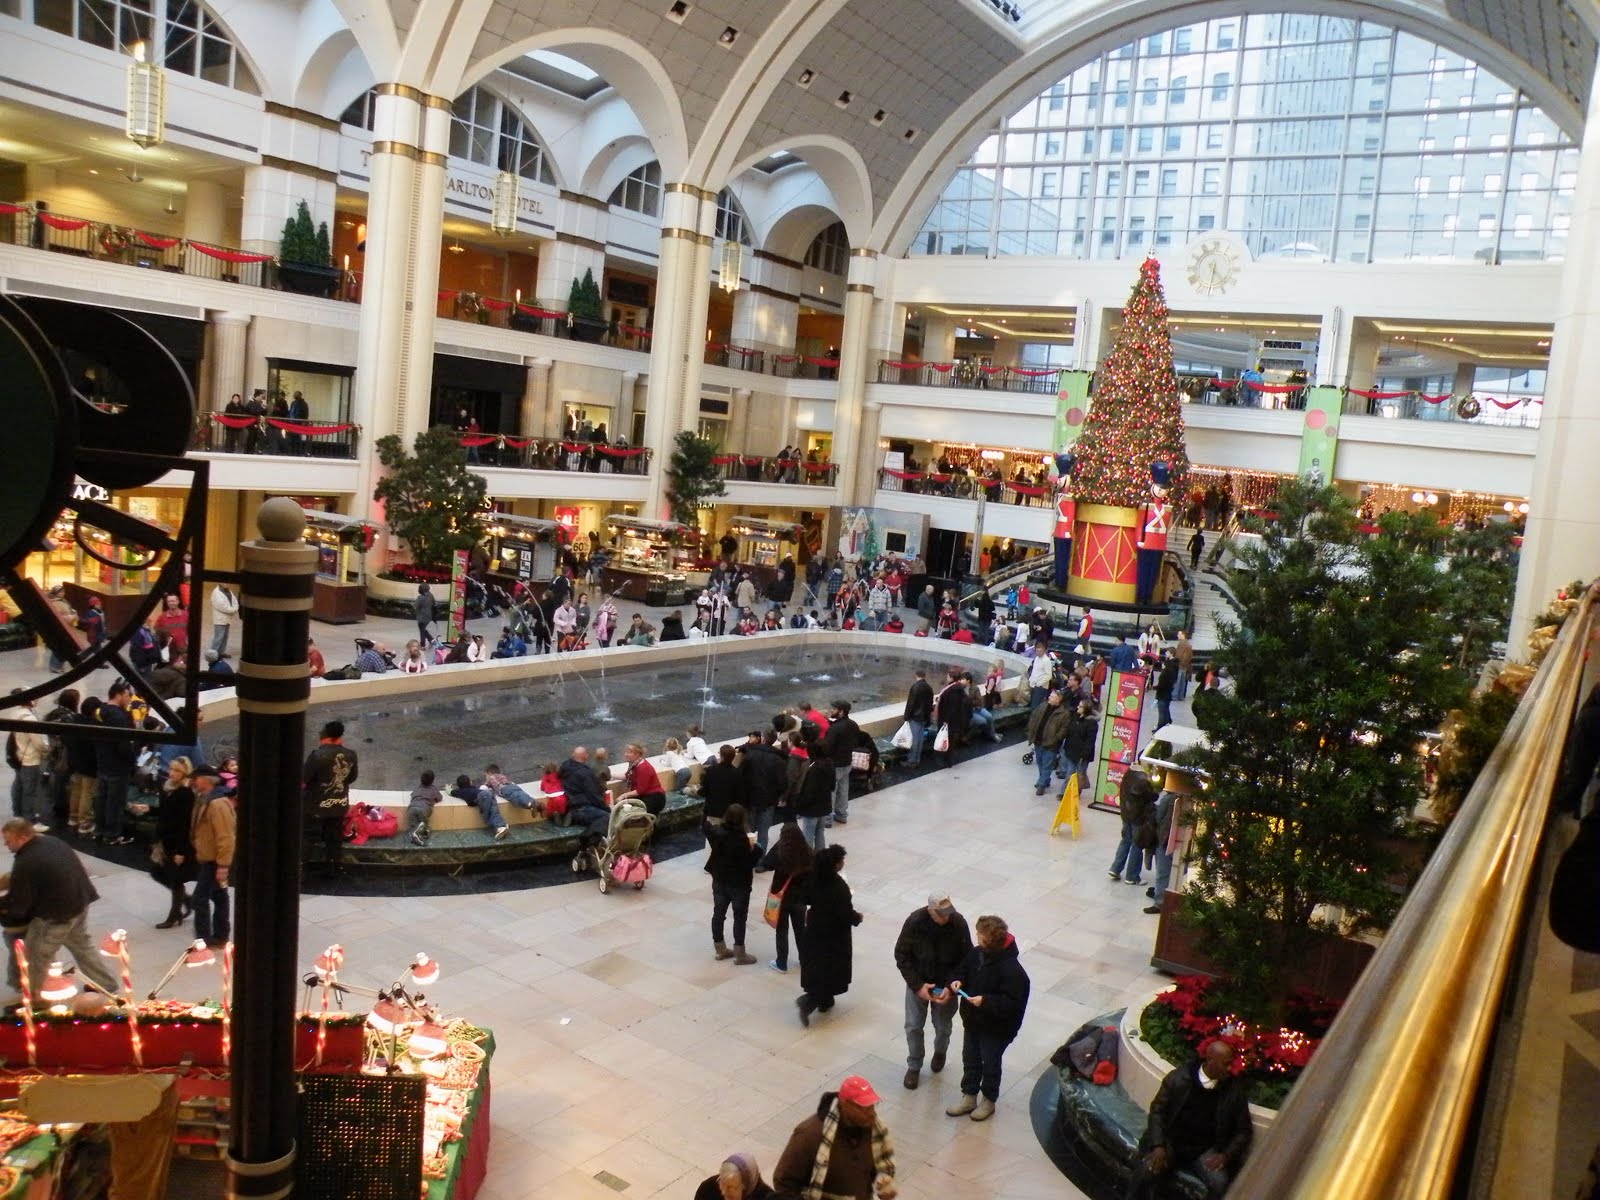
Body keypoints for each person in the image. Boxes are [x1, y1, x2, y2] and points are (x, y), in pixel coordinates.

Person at [0, 818, 121, 1000]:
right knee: (81, 945)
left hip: (56, 915)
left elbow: (20, 906)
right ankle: (105, 984)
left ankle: (35, 999)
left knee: (36, 955)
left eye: (9, 841)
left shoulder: (27, 860)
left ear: (23, 837)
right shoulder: (50, 841)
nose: (6, 845)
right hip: (79, 902)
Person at [1126, 1040, 1253, 1199]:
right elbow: (1158, 1111)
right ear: (1210, 1060)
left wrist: (1225, 1155)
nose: (1229, 1069)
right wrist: (1158, 1145)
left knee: (1219, 1183)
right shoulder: (1179, 1079)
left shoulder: (1234, 1092)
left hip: (1204, 1150)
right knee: (1147, 1170)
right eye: (1225, 1064)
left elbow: (1244, 1131)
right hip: (1170, 1142)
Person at [945, 914, 1031, 1122]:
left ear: (989, 940)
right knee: (970, 1058)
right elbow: (961, 970)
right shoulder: (977, 954)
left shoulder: (1013, 970)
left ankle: (989, 1100)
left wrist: (985, 1001)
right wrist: (956, 981)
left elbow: (1011, 1003)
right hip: (974, 1021)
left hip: (996, 1028)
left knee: (990, 1062)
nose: (976, 937)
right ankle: (969, 1095)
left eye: (980, 935)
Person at [894, 893, 973, 1091]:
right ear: (930, 910)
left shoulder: (958, 923)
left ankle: (940, 1052)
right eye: (941, 914)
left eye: (948, 912)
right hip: (919, 982)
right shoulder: (914, 922)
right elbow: (902, 955)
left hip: (945, 986)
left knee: (943, 1026)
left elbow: (967, 960)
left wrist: (951, 987)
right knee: (913, 1026)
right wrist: (918, 986)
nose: (946, 917)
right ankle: (914, 1065)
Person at [773, 1076, 897, 1200]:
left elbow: (878, 1166)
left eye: (872, 1106)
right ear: (845, 1104)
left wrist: (882, 1182)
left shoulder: (874, 1130)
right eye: (863, 1108)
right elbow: (783, 1182)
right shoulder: (809, 1134)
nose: (871, 1113)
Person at [796, 844, 859, 1025]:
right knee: (831, 969)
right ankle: (809, 1002)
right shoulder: (839, 887)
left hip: (815, 929)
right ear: (836, 864)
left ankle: (825, 1001)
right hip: (834, 935)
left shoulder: (813, 878)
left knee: (818, 966)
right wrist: (857, 918)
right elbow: (846, 913)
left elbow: (805, 897)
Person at [705, 803, 761, 964]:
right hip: (739, 884)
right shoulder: (742, 839)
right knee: (739, 917)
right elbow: (750, 861)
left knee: (718, 914)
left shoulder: (717, 833)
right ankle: (740, 953)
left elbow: (705, 827)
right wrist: (756, 849)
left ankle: (720, 949)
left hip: (720, 880)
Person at [303, 720, 359, 878]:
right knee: (334, 837)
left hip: (316, 805)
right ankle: (334, 867)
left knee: (308, 836)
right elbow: (352, 777)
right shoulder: (351, 754)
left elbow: (305, 777)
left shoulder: (317, 755)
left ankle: (302, 868)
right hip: (339, 804)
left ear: (325, 734)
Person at [188, 765, 235, 949]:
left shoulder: (217, 803)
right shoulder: (205, 799)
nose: (193, 782)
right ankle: (221, 936)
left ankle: (202, 942)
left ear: (207, 779)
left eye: (196, 778)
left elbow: (226, 835)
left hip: (215, 861)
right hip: (210, 859)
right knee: (219, 896)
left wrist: (223, 865)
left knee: (199, 899)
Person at [761, 821, 812, 974]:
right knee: (800, 930)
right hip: (800, 898)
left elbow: (766, 864)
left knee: (781, 930)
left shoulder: (779, 850)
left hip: (781, 899)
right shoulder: (807, 851)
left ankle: (781, 963)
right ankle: (805, 961)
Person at [93, 681, 138, 845]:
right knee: (115, 802)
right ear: (118, 695)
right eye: (127, 695)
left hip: (103, 762)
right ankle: (112, 834)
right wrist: (132, 761)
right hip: (118, 766)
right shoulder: (119, 717)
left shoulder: (100, 712)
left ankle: (100, 830)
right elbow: (124, 745)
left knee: (102, 800)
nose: (130, 699)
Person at [154, 756, 196, 928]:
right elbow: (165, 812)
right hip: (165, 839)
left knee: (175, 878)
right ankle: (185, 900)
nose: (172, 773)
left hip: (178, 841)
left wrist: (181, 850)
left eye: (177, 770)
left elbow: (184, 823)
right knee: (157, 871)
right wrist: (148, 809)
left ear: (185, 773)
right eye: (171, 769)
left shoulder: (186, 793)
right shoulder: (167, 788)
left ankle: (174, 914)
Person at [1109, 768, 1155, 886]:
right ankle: (1132, 876)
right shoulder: (1143, 780)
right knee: (1137, 844)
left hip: (1126, 814)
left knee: (1125, 841)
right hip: (1138, 817)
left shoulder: (1129, 773)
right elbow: (1151, 796)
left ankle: (1115, 868)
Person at [820, 700, 861, 826]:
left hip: (834, 764)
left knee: (831, 791)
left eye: (834, 709)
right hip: (847, 762)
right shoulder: (853, 724)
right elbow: (857, 741)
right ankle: (842, 815)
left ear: (841, 711)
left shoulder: (835, 728)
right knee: (843, 790)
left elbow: (827, 747)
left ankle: (827, 819)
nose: (832, 711)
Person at [559, 748, 611, 843]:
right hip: (582, 807)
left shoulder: (565, 766)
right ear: (585, 756)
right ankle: (585, 840)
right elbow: (594, 794)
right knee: (607, 817)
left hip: (570, 805)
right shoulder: (585, 773)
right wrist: (606, 808)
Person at [1026, 691, 1072, 797]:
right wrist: (1030, 731)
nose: (1049, 698)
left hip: (1051, 743)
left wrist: (1056, 738)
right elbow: (1034, 718)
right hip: (1038, 740)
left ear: (1058, 700)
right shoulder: (1043, 706)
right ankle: (1045, 779)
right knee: (1040, 762)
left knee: (1047, 764)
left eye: (1052, 697)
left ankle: (1041, 784)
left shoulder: (1064, 714)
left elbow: (1063, 729)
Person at [932, 668, 972, 770]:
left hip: (948, 721)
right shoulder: (959, 689)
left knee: (944, 740)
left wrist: (946, 720)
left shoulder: (952, 690)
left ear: (951, 678)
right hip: (956, 721)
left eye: (948, 676)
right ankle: (949, 760)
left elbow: (951, 707)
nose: (946, 678)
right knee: (951, 742)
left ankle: (942, 761)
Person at [448, 774, 508, 840]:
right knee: (494, 811)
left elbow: (451, 792)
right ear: (470, 782)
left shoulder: (460, 791)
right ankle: (501, 825)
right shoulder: (473, 788)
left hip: (483, 796)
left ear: (458, 785)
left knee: (486, 815)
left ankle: (499, 827)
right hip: (489, 794)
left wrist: (448, 789)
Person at [692, 1153, 776, 1200]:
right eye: (721, 1182)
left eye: (730, 1187)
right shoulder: (708, 1189)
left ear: (745, 1185)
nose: (724, 1192)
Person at [617, 743, 666, 816]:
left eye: (629, 752)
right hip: (645, 796)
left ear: (637, 754)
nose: (625, 754)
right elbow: (627, 776)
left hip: (654, 798)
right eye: (626, 752)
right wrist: (610, 775)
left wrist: (623, 795)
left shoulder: (643, 768)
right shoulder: (634, 765)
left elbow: (640, 790)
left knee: (634, 814)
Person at [902, 669, 933, 769]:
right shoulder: (929, 687)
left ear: (917, 675)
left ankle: (911, 761)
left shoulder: (915, 687)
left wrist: (906, 715)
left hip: (915, 717)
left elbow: (911, 703)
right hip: (923, 717)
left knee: (914, 739)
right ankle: (917, 759)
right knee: (919, 739)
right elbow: (929, 704)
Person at [408, 770, 442, 846]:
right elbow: (439, 798)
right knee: (424, 824)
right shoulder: (434, 789)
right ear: (433, 780)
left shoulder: (417, 788)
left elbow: (412, 795)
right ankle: (417, 833)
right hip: (423, 808)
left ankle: (414, 835)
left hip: (412, 808)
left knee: (413, 825)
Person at [209, 582, 239, 658]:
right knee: (219, 637)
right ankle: (213, 654)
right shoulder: (216, 593)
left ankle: (221, 652)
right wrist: (233, 610)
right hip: (220, 619)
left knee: (225, 636)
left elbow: (235, 601)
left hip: (227, 618)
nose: (227, 583)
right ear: (219, 582)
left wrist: (235, 608)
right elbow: (222, 606)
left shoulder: (228, 591)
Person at [1154, 651, 1179, 728]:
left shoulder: (1165, 674)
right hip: (1168, 693)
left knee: (1162, 711)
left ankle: (1160, 726)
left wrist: (1155, 687)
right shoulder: (1172, 671)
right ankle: (1168, 721)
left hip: (1162, 694)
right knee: (1166, 708)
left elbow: (1162, 685)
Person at [1173, 630, 1195, 702]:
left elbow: (1178, 655)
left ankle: (1174, 696)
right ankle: (1181, 696)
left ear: (1183, 635)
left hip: (1180, 664)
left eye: (1179, 634)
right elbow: (1191, 656)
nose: (1177, 635)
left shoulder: (1181, 644)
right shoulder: (1188, 644)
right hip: (1185, 665)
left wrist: (1175, 662)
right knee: (1183, 681)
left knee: (1177, 681)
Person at [414, 584, 437, 648]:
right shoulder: (430, 595)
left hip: (421, 617)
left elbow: (415, 606)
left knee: (422, 630)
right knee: (424, 629)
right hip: (429, 616)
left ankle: (423, 645)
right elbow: (433, 604)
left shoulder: (420, 598)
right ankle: (431, 641)